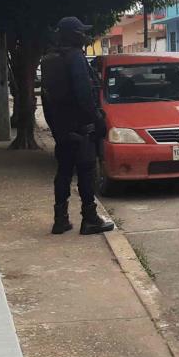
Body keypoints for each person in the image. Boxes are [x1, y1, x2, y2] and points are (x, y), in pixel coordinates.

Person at [40, 16, 115, 235]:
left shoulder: (49, 59)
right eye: (81, 32)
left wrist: (56, 126)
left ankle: (60, 219)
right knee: (86, 171)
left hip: (62, 127)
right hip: (81, 126)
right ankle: (90, 218)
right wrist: (97, 120)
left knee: (63, 171)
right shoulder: (75, 58)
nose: (84, 36)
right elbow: (84, 95)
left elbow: (45, 97)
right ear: (73, 35)